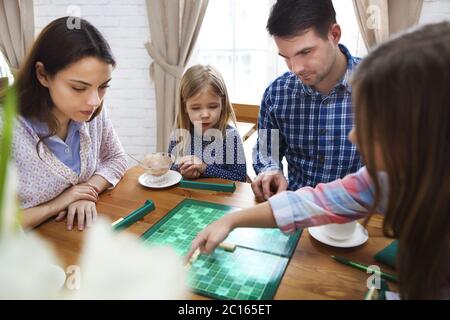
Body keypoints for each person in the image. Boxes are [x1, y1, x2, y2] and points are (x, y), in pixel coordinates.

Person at [187, 22, 450, 299]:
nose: (354, 137)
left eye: (371, 125)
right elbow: (312, 201)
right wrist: (232, 219)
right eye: (286, 57)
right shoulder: (382, 180)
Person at [8, 17, 127, 231]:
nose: (95, 101)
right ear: (43, 75)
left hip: (68, 240)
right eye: (79, 88)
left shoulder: (92, 111)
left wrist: (87, 191)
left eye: (102, 86)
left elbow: (116, 158)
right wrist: (58, 203)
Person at [251, 0, 362, 202]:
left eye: (305, 52)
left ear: (334, 35)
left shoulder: (381, 87)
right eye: (286, 57)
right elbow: (267, 150)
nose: (296, 68)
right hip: (295, 212)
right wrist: (271, 170)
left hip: (359, 219)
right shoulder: (276, 93)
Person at [168, 64, 246, 182]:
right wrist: (183, 171)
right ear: (185, 107)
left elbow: (240, 179)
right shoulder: (180, 135)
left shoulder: (230, 136)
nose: (205, 115)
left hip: (221, 199)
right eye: (195, 108)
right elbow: (170, 170)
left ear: (222, 105)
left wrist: (204, 168)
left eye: (212, 106)